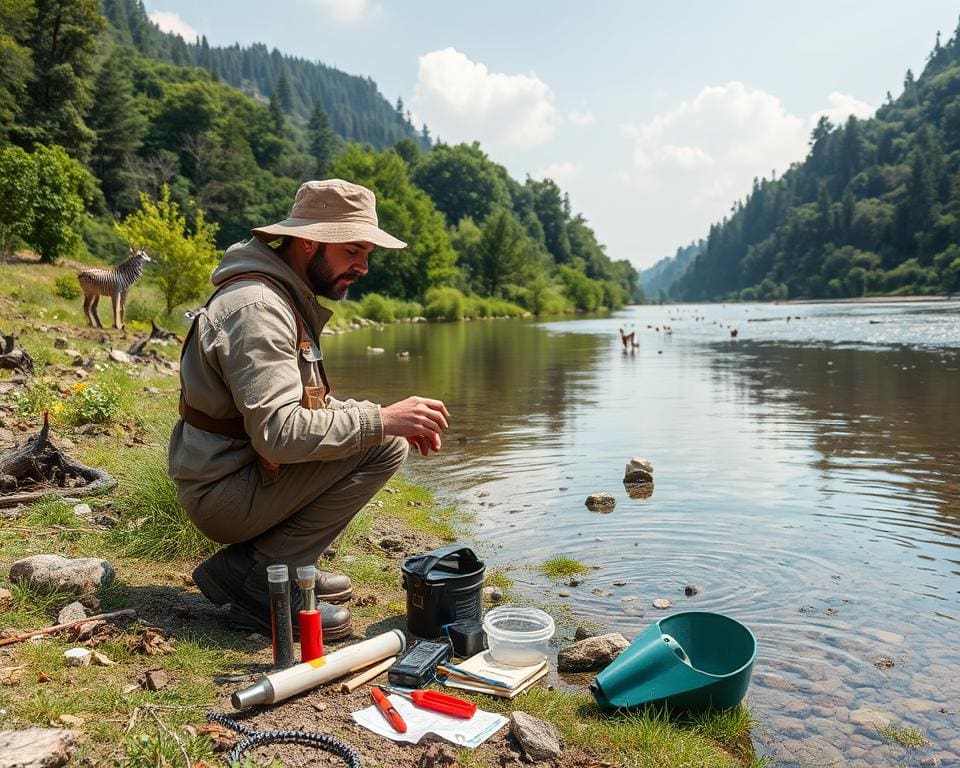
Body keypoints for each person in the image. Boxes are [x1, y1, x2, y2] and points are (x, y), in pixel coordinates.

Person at [168, 179, 450, 640]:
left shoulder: (278, 295)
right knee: (385, 445)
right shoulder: (258, 308)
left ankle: (272, 565)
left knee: (381, 434)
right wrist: (384, 420)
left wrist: (384, 417)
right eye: (352, 251)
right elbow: (279, 433)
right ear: (309, 241)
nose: (362, 267)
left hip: (238, 474)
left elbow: (307, 406)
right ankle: (261, 588)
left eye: (366, 254)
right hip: (223, 491)